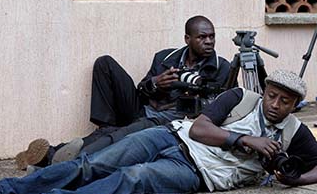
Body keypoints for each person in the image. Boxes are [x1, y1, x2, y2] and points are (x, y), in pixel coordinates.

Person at [0, 69, 317, 194]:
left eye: (285, 101)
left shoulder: (295, 131)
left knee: (133, 180)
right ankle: (0, 192)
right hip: (171, 136)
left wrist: (296, 180)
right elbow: (199, 128)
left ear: (295, 105)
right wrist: (244, 140)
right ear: (267, 89)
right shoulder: (241, 97)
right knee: (91, 164)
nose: (275, 104)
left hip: (196, 173)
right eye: (273, 95)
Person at [15, 15, 232, 170]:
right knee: (105, 63)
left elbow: (220, 109)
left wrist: (195, 92)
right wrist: (156, 83)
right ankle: (106, 126)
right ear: (187, 38)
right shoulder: (165, 58)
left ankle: (52, 156)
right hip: (143, 109)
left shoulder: (221, 67)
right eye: (202, 37)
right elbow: (142, 89)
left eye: (212, 36)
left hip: (167, 123)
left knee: (118, 135)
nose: (209, 42)